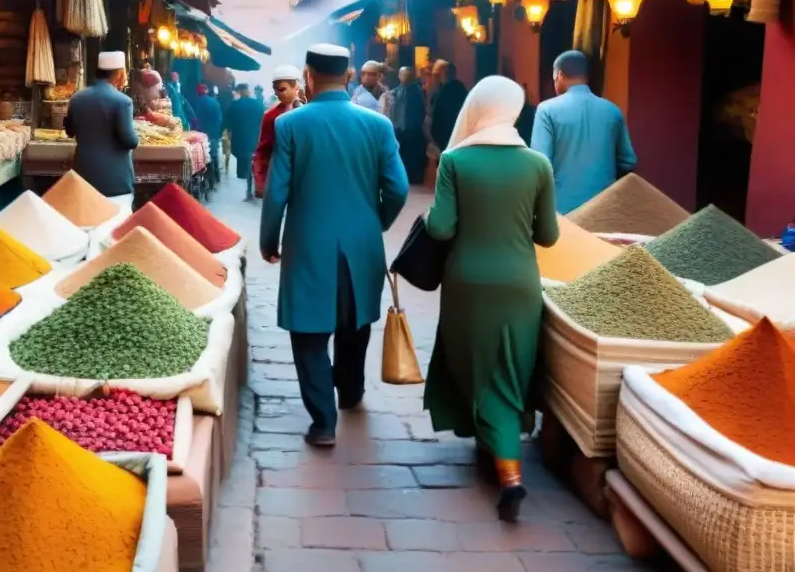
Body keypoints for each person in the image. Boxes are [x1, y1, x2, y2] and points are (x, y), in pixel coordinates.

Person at [423, 75, 559, 522]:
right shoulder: (538, 164)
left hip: (468, 283)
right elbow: (548, 235)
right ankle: (495, 449)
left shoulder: (455, 161)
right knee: (509, 368)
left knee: (479, 366)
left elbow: (441, 228)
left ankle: (510, 476)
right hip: (521, 284)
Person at [260, 44, 409, 448]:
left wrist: (269, 240)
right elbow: (398, 187)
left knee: (308, 331)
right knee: (355, 318)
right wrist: (376, 221)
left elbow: (277, 193)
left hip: (308, 240)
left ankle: (323, 422)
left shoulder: (291, 125)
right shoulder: (377, 124)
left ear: (307, 75)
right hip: (363, 241)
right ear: (348, 76)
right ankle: (351, 390)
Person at [530, 50, 638, 213]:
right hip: (604, 209)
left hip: (561, 212)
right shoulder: (612, 110)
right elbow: (628, 161)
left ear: (559, 75)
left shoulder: (547, 110)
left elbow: (540, 165)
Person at [64, 51, 139, 197]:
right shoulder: (123, 102)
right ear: (119, 74)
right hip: (115, 182)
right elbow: (130, 141)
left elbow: (70, 131)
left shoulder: (76, 99)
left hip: (82, 178)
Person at [252, 65, 302, 198]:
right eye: (276, 91)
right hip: (280, 178)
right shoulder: (270, 116)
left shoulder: (312, 112)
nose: (279, 94)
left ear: (296, 86)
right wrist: (260, 181)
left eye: (282, 89)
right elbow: (262, 150)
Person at [226, 83, 264, 201]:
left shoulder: (235, 105)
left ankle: (249, 191)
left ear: (240, 91)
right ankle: (256, 189)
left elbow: (228, 123)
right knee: (256, 165)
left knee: (247, 166)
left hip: (241, 141)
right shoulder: (259, 105)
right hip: (257, 140)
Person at [390, 67, 427, 184]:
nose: (404, 76)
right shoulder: (396, 91)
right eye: (402, 74)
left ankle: (412, 178)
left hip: (412, 128)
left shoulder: (417, 91)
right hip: (398, 128)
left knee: (411, 155)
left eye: (407, 74)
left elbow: (420, 110)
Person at [428, 60, 468, 151]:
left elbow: (435, 116)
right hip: (459, 134)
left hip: (444, 135)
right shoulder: (462, 89)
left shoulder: (441, 93)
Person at [191, 83, 224, 184]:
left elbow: (195, 119)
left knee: (205, 157)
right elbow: (220, 118)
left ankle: (208, 180)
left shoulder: (197, 103)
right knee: (213, 155)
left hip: (202, 134)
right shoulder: (214, 101)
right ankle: (216, 177)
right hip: (214, 133)